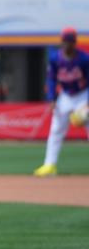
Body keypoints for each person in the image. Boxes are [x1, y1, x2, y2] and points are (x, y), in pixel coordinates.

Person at [34, 27, 89, 177]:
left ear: (75, 43)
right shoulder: (55, 58)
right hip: (65, 95)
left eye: (70, 41)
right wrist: (51, 98)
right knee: (56, 129)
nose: (67, 44)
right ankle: (49, 164)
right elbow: (51, 79)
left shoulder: (84, 59)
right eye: (65, 41)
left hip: (83, 95)